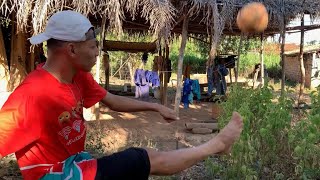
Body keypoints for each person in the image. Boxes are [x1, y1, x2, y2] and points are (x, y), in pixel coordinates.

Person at [0, 10, 243, 180]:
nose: (97, 52)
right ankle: (217, 145)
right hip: (56, 176)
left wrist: (156, 108)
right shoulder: (31, 97)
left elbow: (112, 101)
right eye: (94, 46)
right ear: (72, 49)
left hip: (77, 164)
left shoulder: (78, 77)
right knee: (140, 159)